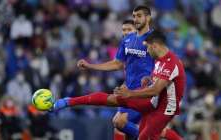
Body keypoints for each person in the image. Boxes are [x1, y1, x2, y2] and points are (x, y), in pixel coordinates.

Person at [53, 30, 185, 140]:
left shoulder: (171, 62)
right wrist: (148, 78)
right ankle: (68, 102)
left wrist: (130, 93)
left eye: (148, 47)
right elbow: (158, 81)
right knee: (115, 100)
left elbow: (156, 90)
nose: (147, 51)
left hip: (166, 108)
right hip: (154, 101)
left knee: (143, 136)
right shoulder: (159, 60)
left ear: (155, 45)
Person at [77, 5, 154, 139]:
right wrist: (91, 66)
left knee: (119, 121)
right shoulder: (127, 43)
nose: (125, 33)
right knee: (119, 127)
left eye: (128, 30)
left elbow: (162, 63)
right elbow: (118, 64)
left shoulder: (152, 40)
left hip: (145, 92)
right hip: (129, 90)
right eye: (123, 30)